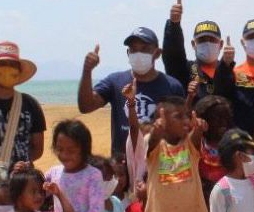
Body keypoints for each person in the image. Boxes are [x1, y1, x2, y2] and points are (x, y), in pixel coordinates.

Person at [78, 27, 186, 156]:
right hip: (122, 167)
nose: (138, 54)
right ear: (128, 53)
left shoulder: (172, 86)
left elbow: (183, 128)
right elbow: (86, 106)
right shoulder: (115, 81)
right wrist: (87, 71)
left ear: (157, 53)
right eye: (133, 49)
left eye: (145, 49)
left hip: (160, 164)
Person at [161, 0, 236, 99]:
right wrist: (174, 25)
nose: (207, 43)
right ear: (193, 44)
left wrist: (227, 65)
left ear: (221, 44)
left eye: (212, 40)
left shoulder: (230, 71)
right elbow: (173, 55)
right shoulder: (185, 70)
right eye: (202, 40)